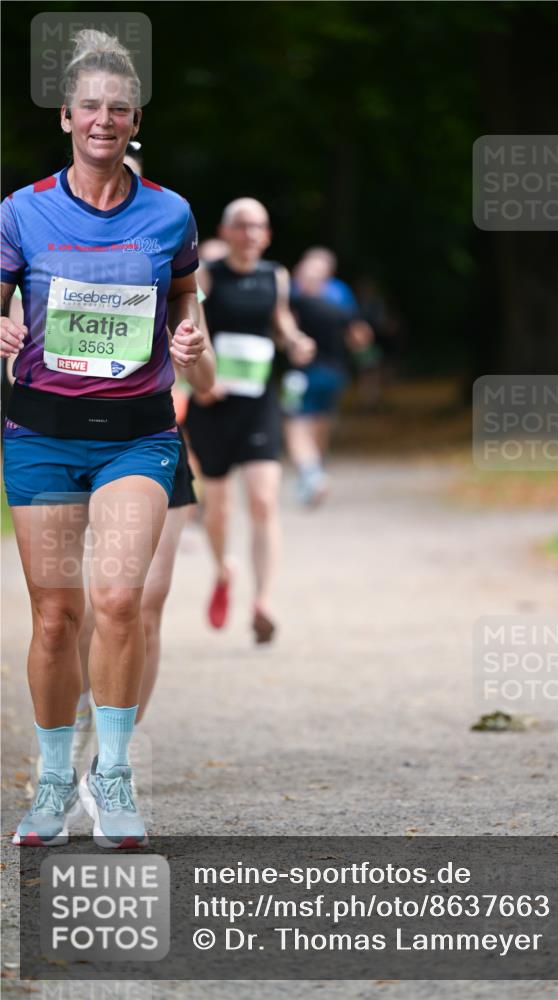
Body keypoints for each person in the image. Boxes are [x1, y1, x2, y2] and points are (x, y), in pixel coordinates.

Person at [1, 29, 207, 848]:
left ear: (134, 120)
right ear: (65, 116)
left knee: (119, 602)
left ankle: (111, 776)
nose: (104, 119)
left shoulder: (171, 213)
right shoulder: (22, 210)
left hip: (137, 435)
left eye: (118, 109)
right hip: (42, 433)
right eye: (90, 106)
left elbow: (186, 300)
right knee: (55, 617)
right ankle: (52, 780)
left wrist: (189, 340)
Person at [70, 142, 215, 758]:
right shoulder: (54, 254)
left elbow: (207, 382)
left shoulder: (168, 260)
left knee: (141, 606)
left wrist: (193, 356)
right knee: (82, 612)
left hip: (152, 445)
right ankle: (77, 714)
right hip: (67, 445)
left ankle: (113, 755)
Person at [185, 197, 314, 642]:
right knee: (218, 510)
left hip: (258, 402)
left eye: (258, 226)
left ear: (268, 235)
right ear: (226, 231)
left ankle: (263, 601)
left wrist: (296, 341)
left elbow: (280, 321)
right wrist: (205, 374)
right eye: (241, 226)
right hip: (212, 404)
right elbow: (187, 322)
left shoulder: (274, 276)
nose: (250, 234)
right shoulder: (207, 274)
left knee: (263, 501)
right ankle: (224, 569)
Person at [283, 254, 372, 505]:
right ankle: (316, 474)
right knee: (321, 425)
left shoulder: (295, 302)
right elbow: (361, 337)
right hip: (336, 374)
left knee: (295, 426)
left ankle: (312, 475)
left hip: (303, 375)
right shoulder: (338, 308)